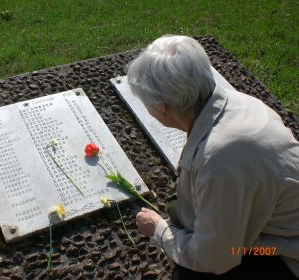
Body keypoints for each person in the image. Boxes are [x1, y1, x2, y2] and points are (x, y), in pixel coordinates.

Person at [128, 35, 299, 279]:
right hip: (281, 230)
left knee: (189, 275)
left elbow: (215, 258)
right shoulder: (241, 102)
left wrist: (159, 231)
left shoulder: (218, 161)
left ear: (163, 108)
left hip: (285, 254)